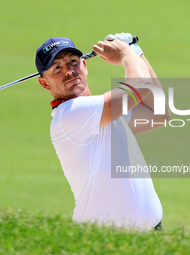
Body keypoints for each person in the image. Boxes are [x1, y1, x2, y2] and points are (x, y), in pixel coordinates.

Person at [35, 33, 170, 231]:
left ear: (85, 65)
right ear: (45, 83)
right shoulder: (70, 115)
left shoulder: (102, 112)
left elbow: (159, 114)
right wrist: (126, 53)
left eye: (73, 62)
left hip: (153, 233)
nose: (69, 71)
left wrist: (137, 52)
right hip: (107, 241)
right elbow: (139, 86)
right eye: (57, 68)